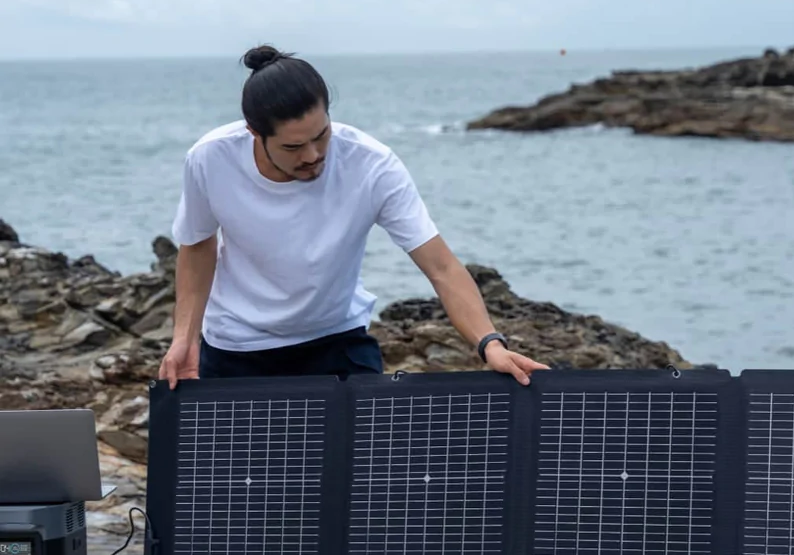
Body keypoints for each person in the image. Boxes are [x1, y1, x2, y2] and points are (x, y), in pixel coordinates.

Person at [159, 45, 548, 387]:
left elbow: (442, 267)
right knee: (237, 472)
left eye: (321, 135)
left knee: (364, 469)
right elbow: (197, 247)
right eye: (294, 146)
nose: (312, 155)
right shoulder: (210, 159)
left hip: (336, 341)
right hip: (235, 347)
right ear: (254, 132)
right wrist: (184, 339)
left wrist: (489, 344)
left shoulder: (371, 165)